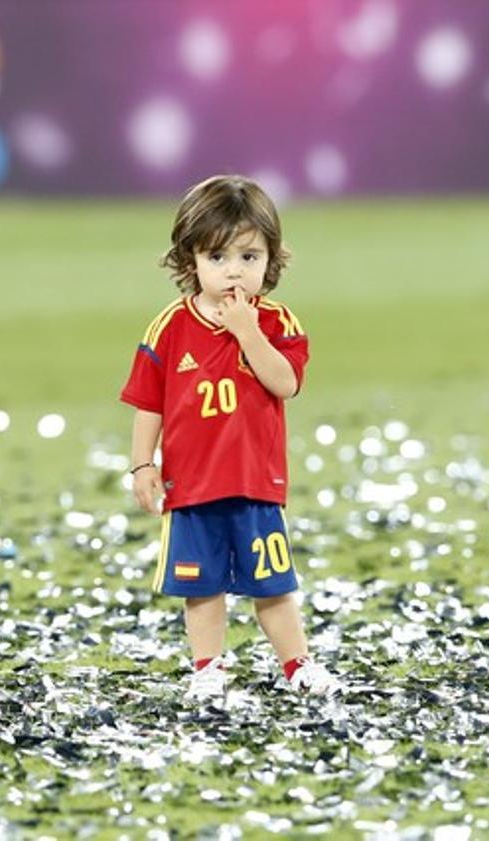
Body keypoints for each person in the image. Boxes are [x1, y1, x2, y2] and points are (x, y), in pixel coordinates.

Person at [119, 174, 340, 701]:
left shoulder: (278, 322)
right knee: (202, 588)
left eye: (248, 257)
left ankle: (298, 665)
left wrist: (247, 331)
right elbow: (149, 402)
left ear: (271, 260)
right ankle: (208, 668)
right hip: (192, 486)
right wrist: (141, 465)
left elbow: (285, 382)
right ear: (190, 260)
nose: (234, 272)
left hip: (256, 483)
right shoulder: (169, 328)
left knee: (273, 585)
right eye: (217, 258)